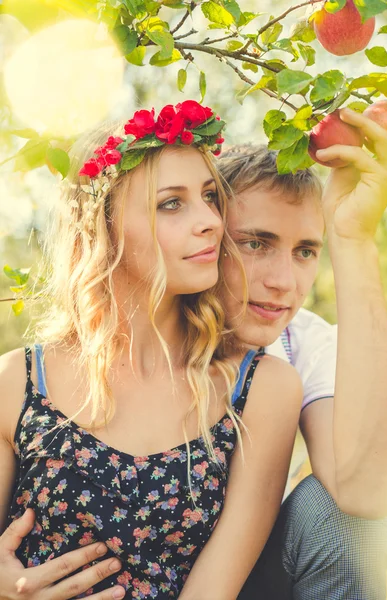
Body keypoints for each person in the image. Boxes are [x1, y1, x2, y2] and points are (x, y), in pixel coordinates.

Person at [0, 101, 302, 599]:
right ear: (105, 226)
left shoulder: (258, 389)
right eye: (171, 203)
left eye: (210, 197)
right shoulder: (21, 381)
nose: (210, 221)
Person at [216, 107, 387, 599]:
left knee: (341, 514)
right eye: (256, 243)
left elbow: (365, 491)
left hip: (249, 581)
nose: (283, 283)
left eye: (305, 252)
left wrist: (352, 239)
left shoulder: (304, 340)